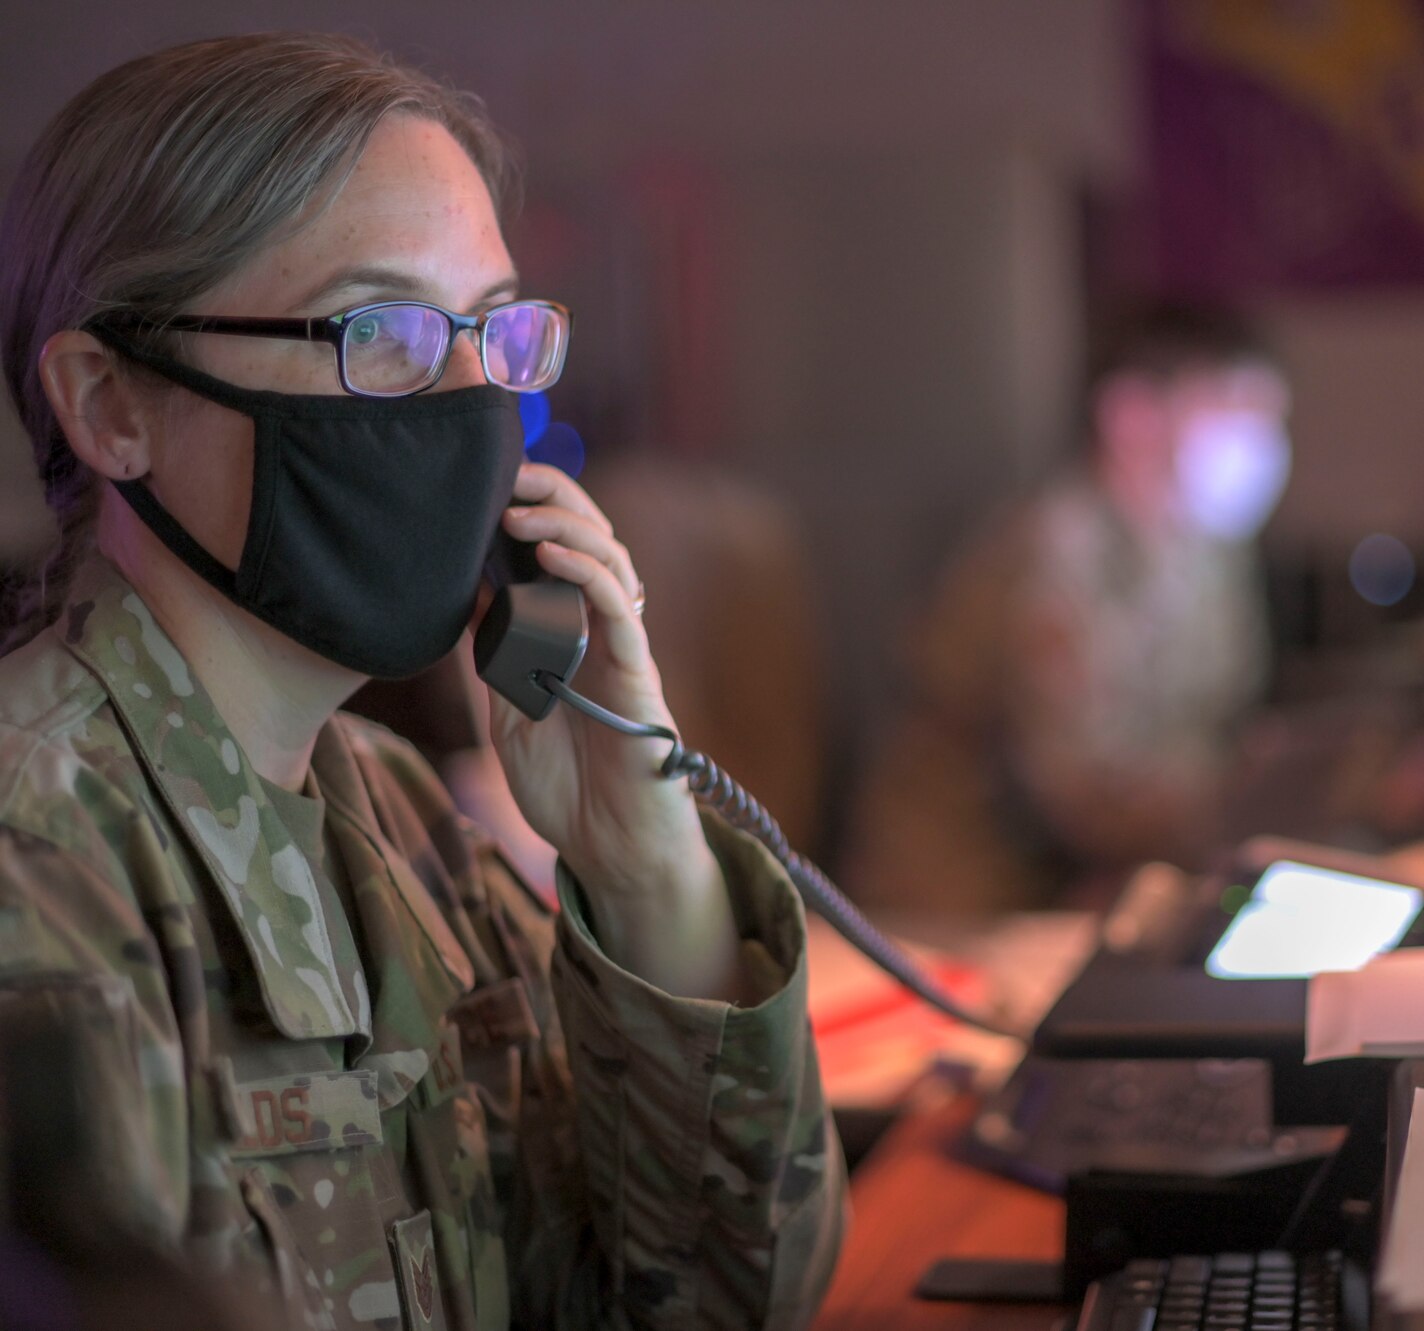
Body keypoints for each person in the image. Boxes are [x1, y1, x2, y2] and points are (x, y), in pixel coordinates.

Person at [0, 33, 840, 1331]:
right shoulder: (34, 869)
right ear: (111, 404)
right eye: (380, 332)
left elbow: (727, 1298)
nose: (468, 399)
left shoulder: (404, 824)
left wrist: (645, 855)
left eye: (497, 329)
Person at [846, 304, 1292, 914]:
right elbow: (1083, 796)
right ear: (1130, 415)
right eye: (1231, 410)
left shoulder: (1208, 554)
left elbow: (1218, 729)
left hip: (1113, 874)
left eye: (1269, 418)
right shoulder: (1050, 554)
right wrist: (1273, 800)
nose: (1259, 442)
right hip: (970, 898)